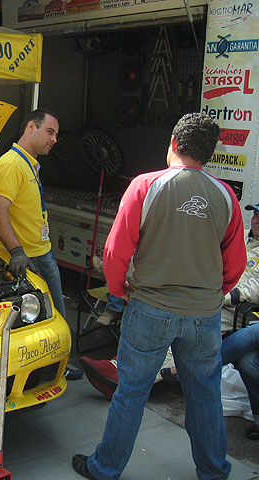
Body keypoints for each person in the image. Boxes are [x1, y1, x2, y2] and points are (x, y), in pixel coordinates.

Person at [72, 112, 247, 480]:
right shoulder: (225, 196)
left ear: (174, 143)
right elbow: (235, 265)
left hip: (150, 308)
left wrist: (119, 291)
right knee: (205, 396)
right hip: (204, 317)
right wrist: (208, 295)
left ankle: (105, 469)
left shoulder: (146, 185)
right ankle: (214, 472)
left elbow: (115, 253)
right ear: (209, 154)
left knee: (131, 392)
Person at [81, 203, 259, 405]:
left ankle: (126, 378)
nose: (257, 220)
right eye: (255, 214)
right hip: (203, 290)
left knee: (181, 324)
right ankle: (119, 366)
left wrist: (224, 296)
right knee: (156, 304)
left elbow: (256, 288)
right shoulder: (239, 235)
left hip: (231, 307)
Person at [0, 108, 83, 380]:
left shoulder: (29, 163)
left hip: (42, 253)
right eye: (50, 132)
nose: (54, 139)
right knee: (39, 321)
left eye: (56, 134)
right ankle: (44, 371)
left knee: (56, 318)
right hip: (27, 260)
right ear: (31, 127)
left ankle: (57, 366)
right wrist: (17, 251)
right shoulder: (10, 164)